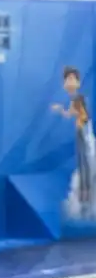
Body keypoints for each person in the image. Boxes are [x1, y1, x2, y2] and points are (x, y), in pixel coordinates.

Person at [51, 65, 96, 217]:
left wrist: (77, 115)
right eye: (67, 80)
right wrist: (60, 109)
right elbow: (69, 114)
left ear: (78, 82)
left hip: (84, 132)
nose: (69, 82)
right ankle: (83, 199)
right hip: (79, 132)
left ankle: (88, 198)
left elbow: (83, 115)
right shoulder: (74, 99)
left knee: (87, 164)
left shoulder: (79, 98)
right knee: (82, 164)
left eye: (72, 79)